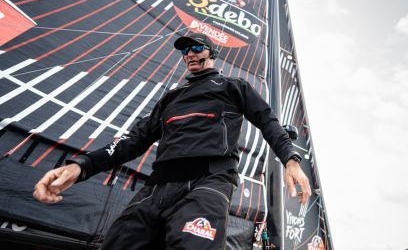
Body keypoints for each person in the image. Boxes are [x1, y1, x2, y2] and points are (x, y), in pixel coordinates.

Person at [33, 32, 311, 249]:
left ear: (211, 53)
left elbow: (267, 120)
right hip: (157, 187)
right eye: (184, 50)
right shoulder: (170, 98)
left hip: (209, 183)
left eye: (195, 48)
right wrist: (80, 166)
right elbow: (132, 140)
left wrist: (290, 159)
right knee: (118, 242)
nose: (189, 54)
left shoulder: (233, 87)